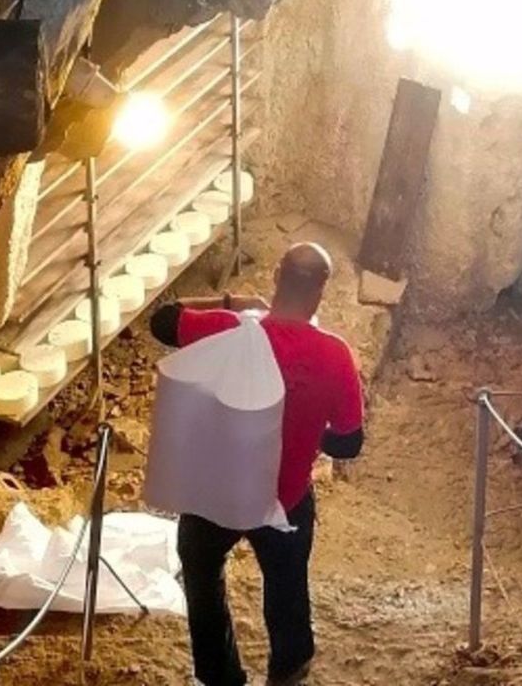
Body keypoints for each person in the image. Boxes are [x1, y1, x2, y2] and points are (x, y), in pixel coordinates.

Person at [150, 241, 365, 686]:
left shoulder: (230, 329)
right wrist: (305, 435)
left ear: (276, 276)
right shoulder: (335, 355)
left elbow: (162, 319)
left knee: (202, 573)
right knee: (287, 587)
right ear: (321, 291)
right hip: (283, 499)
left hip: (217, 491)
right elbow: (348, 444)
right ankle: (288, 669)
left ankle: (219, 675)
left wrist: (234, 302)